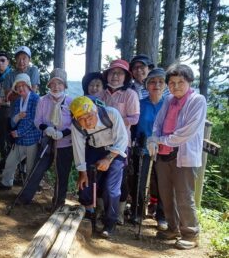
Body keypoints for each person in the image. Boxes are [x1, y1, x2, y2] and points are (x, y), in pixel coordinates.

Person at [147, 64, 206, 250]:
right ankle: (173, 229)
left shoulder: (197, 101)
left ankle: (190, 233)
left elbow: (187, 132)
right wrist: (153, 138)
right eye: (172, 83)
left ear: (189, 82)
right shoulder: (169, 100)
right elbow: (158, 123)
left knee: (184, 195)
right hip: (163, 154)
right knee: (166, 194)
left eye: (181, 82)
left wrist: (161, 140)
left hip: (183, 155)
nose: (176, 86)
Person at [70, 96, 128, 238]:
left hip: (116, 150)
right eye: (82, 119)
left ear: (95, 111)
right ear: (76, 119)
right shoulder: (76, 126)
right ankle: (88, 214)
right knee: (85, 184)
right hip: (94, 149)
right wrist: (82, 172)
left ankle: (110, 222)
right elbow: (78, 148)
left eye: (90, 116)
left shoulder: (111, 114)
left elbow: (123, 139)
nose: (87, 121)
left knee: (111, 188)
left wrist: (108, 159)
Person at [17, 68, 73, 208]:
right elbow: (37, 121)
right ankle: (25, 197)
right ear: (49, 85)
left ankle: (58, 202)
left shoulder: (71, 102)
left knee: (62, 174)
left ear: (64, 86)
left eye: (59, 84)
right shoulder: (43, 100)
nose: (56, 87)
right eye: (53, 83)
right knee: (37, 169)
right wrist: (46, 129)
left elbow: (75, 124)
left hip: (65, 144)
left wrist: (63, 133)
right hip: (46, 142)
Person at [101, 59, 140, 223]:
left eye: (119, 73)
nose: (115, 76)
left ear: (126, 77)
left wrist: (114, 121)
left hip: (121, 144)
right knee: (101, 179)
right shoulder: (102, 93)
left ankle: (117, 214)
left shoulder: (130, 94)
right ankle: (102, 212)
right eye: (112, 72)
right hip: (101, 143)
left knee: (117, 182)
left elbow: (134, 118)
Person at [130, 68, 168, 230]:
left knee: (162, 184)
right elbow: (134, 127)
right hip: (143, 149)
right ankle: (137, 212)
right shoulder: (140, 104)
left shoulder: (169, 104)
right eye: (152, 82)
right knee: (140, 181)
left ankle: (162, 216)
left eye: (160, 82)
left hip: (163, 149)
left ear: (165, 85)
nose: (156, 85)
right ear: (146, 85)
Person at [0, 73, 41, 190]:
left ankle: (28, 190)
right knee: (10, 162)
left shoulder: (36, 99)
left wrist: (19, 132)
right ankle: (6, 183)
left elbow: (33, 121)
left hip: (32, 139)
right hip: (19, 140)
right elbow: (12, 122)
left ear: (28, 86)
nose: (20, 88)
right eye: (18, 86)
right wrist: (18, 117)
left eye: (23, 85)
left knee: (30, 167)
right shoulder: (18, 100)